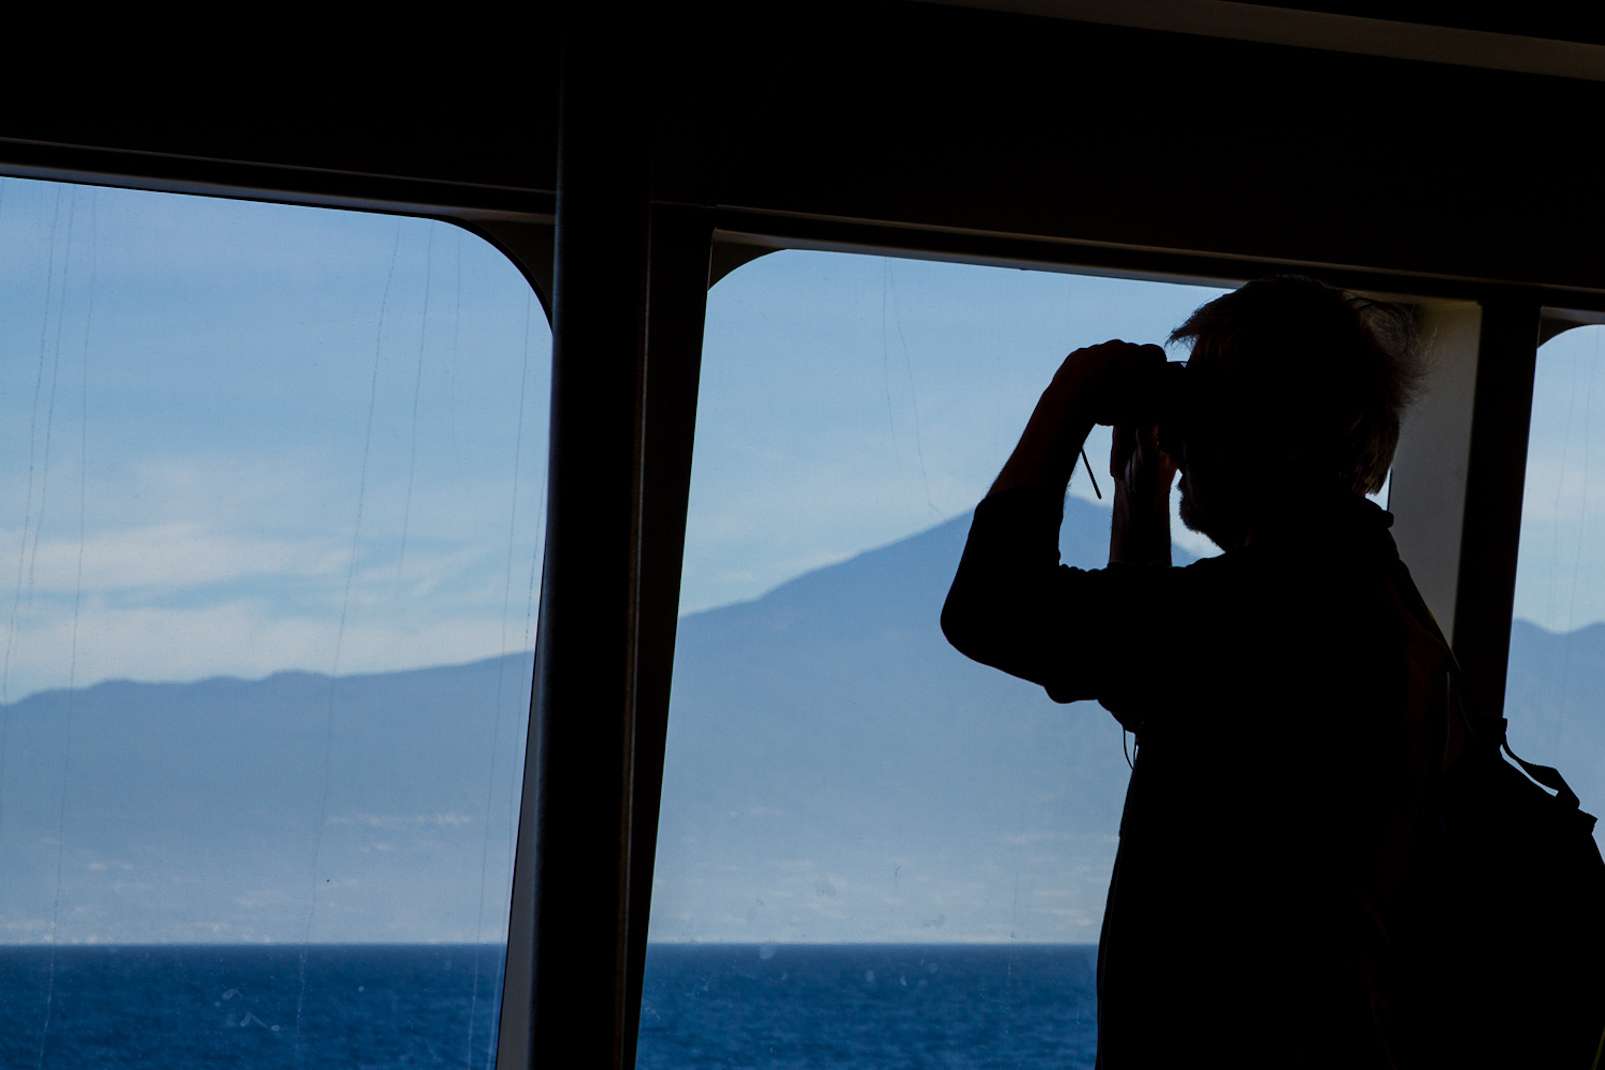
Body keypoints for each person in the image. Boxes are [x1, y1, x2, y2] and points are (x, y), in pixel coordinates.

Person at [941, 275, 1454, 1068]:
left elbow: (991, 609)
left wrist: (1068, 398)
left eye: (1205, 402)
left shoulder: (1277, 608)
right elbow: (1155, 690)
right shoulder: (1363, 595)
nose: (1178, 431)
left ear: (1286, 432)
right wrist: (1138, 490)